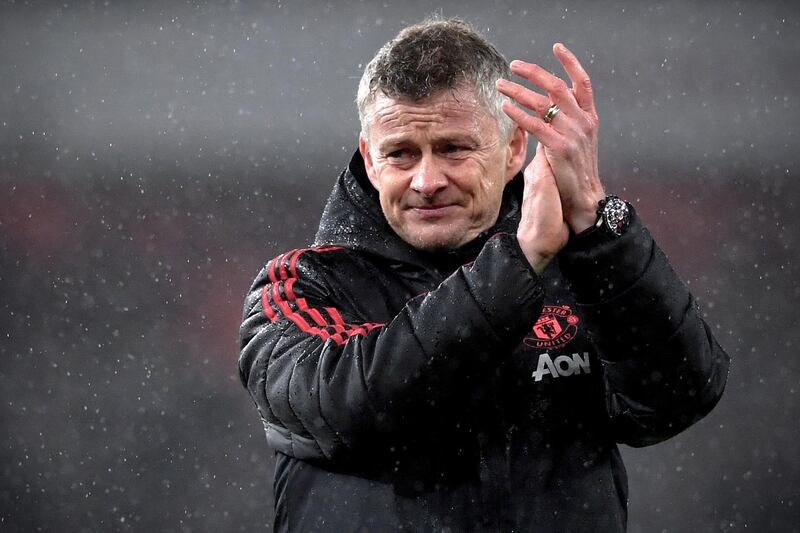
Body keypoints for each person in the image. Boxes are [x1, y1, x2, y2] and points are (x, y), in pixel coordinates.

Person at [238, 18, 729, 532]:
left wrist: (596, 222)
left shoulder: (582, 269)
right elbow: (350, 408)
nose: (427, 181)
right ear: (370, 158)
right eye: (401, 153)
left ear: (515, 148)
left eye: (454, 149)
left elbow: (676, 400)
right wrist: (516, 266)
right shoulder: (298, 287)